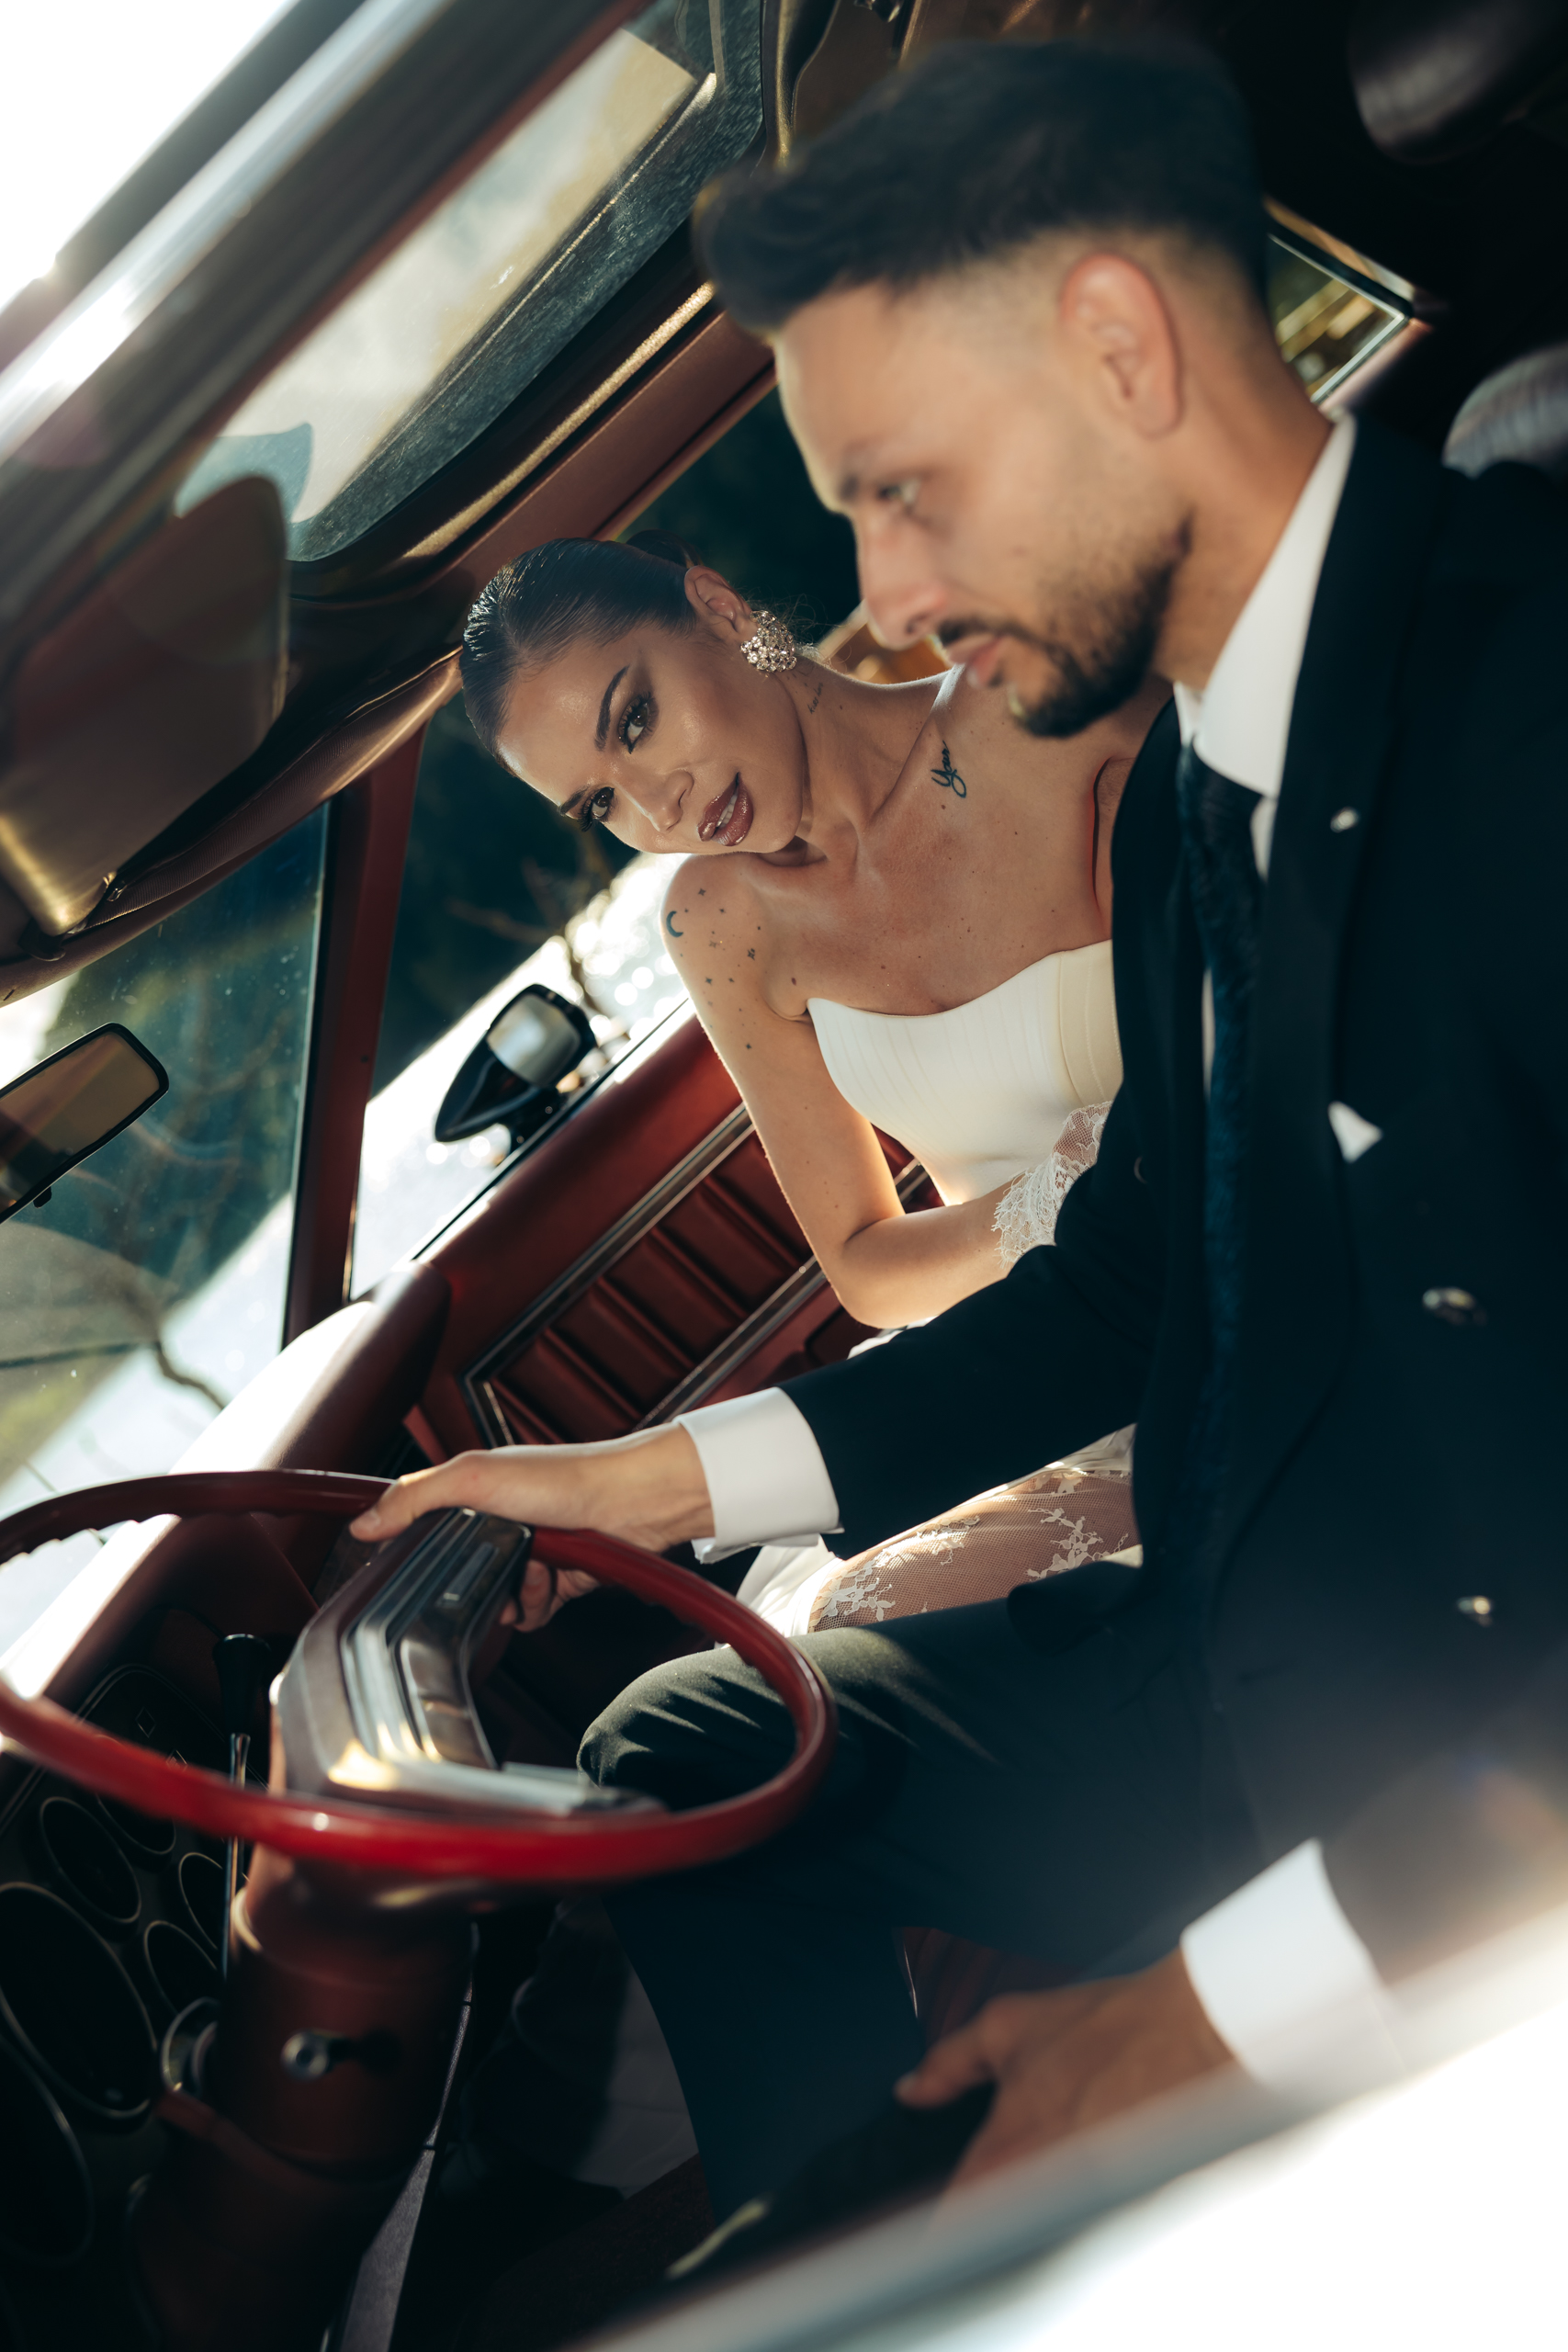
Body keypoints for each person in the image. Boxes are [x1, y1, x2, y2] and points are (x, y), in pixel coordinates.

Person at [352, 37, 1568, 2224]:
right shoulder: (1200, 788)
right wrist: (622, 1481)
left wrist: (1226, 1999)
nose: (892, 598)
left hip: (1437, 1746)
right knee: (686, 1754)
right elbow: (1122, 1279)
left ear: (1114, 348)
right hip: (1221, 1641)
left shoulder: (1519, 692)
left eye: (902, 489)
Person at [459, 532, 1165, 1627]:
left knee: (868, 1630)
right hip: (1008, 1364)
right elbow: (865, 1266)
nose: (656, 808)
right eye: (600, 804)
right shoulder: (718, 921)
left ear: (721, 609)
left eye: (636, 720)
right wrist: (1035, 1209)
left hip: (1223, 1276)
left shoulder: (1040, 718)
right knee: (803, 1649)